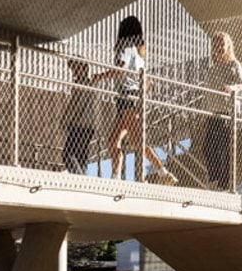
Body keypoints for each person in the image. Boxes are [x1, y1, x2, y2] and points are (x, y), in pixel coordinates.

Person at [99, 15, 176, 185]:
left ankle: (163, 172)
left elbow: (120, 70)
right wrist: (142, 92)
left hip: (127, 98)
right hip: (128, 100)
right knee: (114, 141)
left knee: (135, 141)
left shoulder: (125, 47)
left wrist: (99, 77)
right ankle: (116, 176)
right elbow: (149, 83)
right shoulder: (139, 54)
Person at [199, 32, 242, 189]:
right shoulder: (212, 69)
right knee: (208, 147)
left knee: (223, 147)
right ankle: (215, 180)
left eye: (221, 44)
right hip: (213, 113)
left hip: (227, 112)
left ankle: (224, 184)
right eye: (215, 44)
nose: (218, 47)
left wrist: (232, 88)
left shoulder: (234, 65)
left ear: (228, 46)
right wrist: (204, 115)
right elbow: (207, 94)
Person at [61, 57, 99, 173]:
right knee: (80, 154)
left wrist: (66, 119)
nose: (75, 72)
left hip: (81, 123)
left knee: (68, 153)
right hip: (87, 124)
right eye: (73, 69)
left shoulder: (85, 83)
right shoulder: (87, 83)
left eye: (77, 68)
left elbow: (75, 104)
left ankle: (79, 175)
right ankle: (82, 174)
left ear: (84, 68)